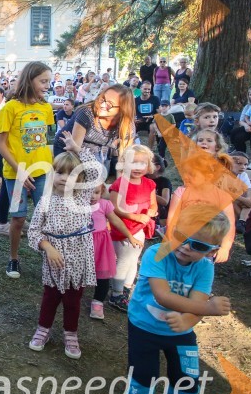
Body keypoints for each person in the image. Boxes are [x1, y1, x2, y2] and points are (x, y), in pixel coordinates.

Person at [118, 207, 232, 394]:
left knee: (187, 376)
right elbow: (162, 296)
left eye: (198, 246)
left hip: (181, 331)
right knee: (143, 371)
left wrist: (188, 322)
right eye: (181, 236)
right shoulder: (156, 253)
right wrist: (209, 309)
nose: (185, 247)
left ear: (212, 251)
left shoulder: (205, 267)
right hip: (144, 325)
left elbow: (197, 302)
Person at [26, 135, 106, 358]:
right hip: (54, 258)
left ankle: (71, 333)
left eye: (71, 174)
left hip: (79, 257)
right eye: (59, 173)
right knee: (50, 296)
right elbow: (33, 231)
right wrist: (48, 247)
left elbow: (95, 172)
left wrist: (78, 149)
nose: (64, 178)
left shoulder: (83, 197)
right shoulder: (45, 201)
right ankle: (43, 329)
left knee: (73, 298)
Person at [0, 62, 55, 278]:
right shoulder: (10, 108)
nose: (48, 85)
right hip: (16, 175)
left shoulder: (46, 108)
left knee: (45, 215)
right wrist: (19, 170)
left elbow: (49, 139)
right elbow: (1, 144)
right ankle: (13, 258)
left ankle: (47, 251)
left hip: (42, 172)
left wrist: (52, 165)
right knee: (19, 219)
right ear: (30, 80)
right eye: (43, 81)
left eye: (49, 81)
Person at [108, 145, 158, 311]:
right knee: (123, 260)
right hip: (124, 228)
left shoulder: (149, 184)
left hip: (140, 228)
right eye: (133, 163)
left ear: (149, 165)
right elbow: (114, 208)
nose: (137, 167)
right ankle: (116, 293)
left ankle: (126, 289)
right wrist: (135, 216)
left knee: (133, 259)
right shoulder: (120, 183)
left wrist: (152, 211)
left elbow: (153, 204)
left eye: (142, 163)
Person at [88, 182, 140, 321]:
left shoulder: (104, 204)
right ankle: (70, 294)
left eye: (96, 192)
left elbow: (116, 221)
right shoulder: (75, 205)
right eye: (87, 192)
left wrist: (129, 235)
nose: (92, 196)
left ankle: (98, 302)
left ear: (102, 191)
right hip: (82, 245)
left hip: (101, 246)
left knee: (103, 275)